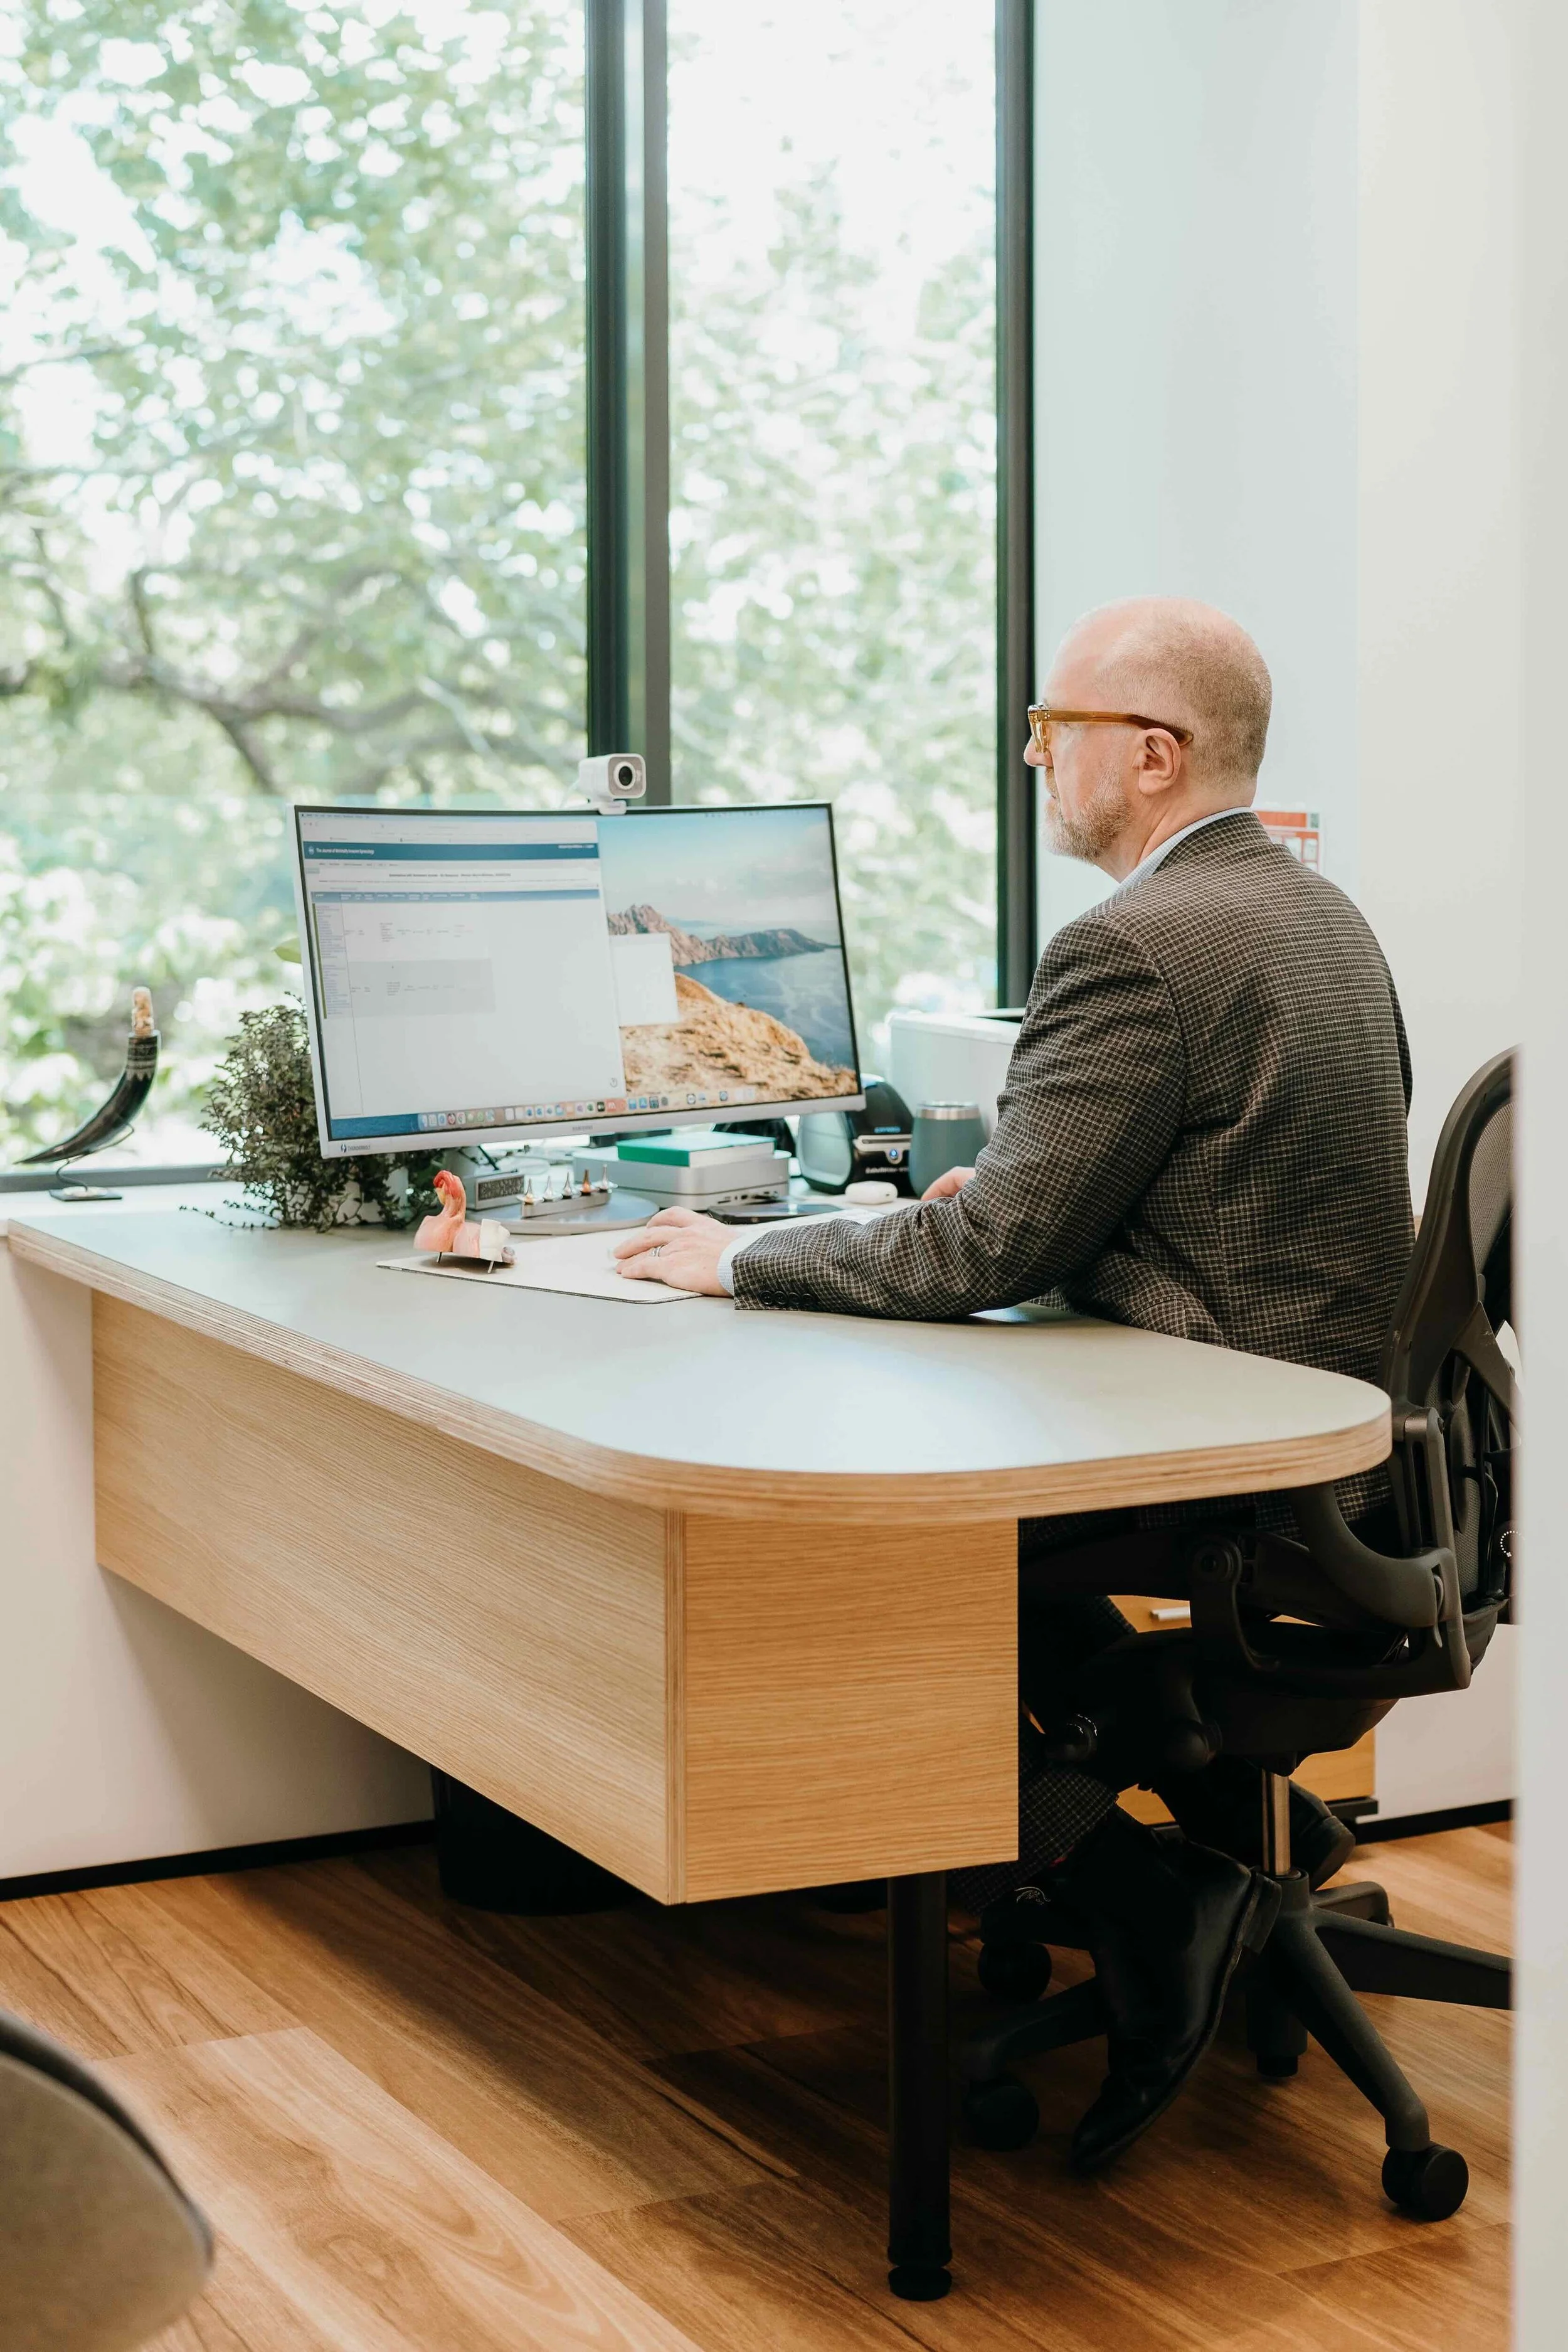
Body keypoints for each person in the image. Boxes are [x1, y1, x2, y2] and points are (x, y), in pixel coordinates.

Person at [613, 595, 1414, 2171]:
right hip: (1332, 1436)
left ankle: (1150, 1896)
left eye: (1056, 729)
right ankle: (1225, 1820)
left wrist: (737, 1257)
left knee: (857, 1562)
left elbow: (982, 1257)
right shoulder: (1313, 911)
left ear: (1154, 753)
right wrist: (983, 1219)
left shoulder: (1131, 941)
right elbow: (1158, 1191)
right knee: (982, 1541)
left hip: (1223, 1449)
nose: (1034, 754)